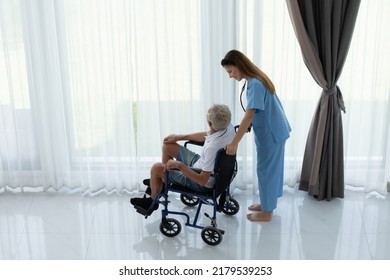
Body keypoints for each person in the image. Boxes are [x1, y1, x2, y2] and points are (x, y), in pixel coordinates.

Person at [221, 50, 291, 222]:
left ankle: (267, 212)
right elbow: (259, 109)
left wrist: (234, 142)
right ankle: (267, 204)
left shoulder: (255, 84)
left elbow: (249, 114)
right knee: (268, 170)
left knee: (266, 171)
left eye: (230, 71)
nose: (230, 76)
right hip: (273, 130)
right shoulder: (255, 80)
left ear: (239, 65)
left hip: (271, 133)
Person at [130, 104, 236, 212]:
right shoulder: (228, 127)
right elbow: (207, 134)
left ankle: (152, 201)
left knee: (155, 168)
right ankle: (162, 180)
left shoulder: (212, 148)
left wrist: (179, 166)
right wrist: (179, 137)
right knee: (167, 146)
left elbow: (202, 181)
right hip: (201, 164)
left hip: (200, 180)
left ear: (210, 123)